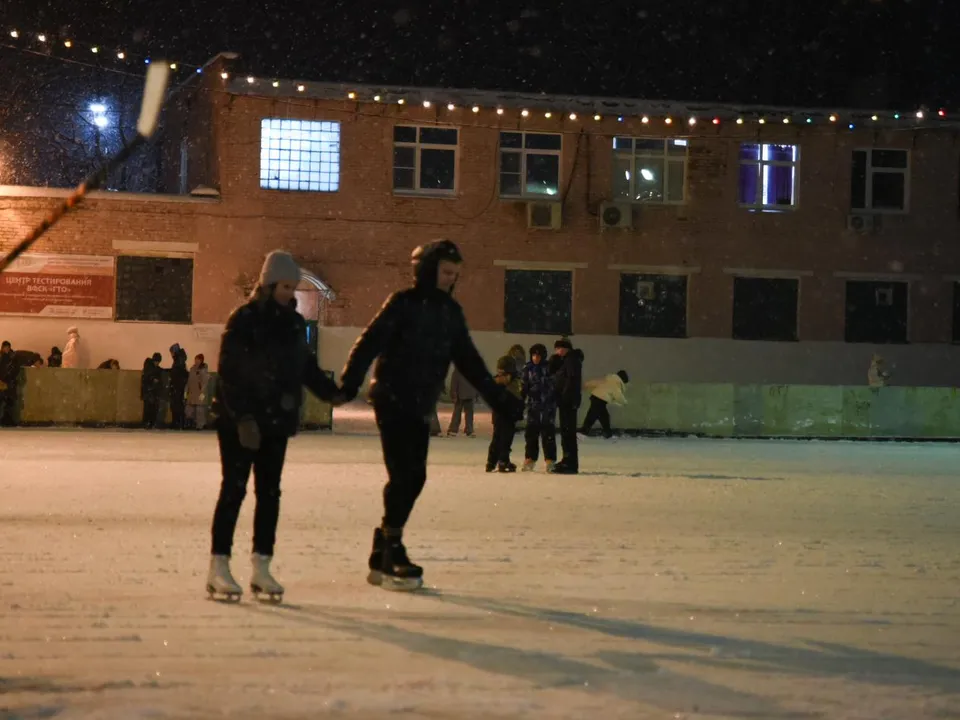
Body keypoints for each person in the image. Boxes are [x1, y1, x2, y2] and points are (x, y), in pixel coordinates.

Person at [337, 239, 523, 591]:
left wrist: (498, 397)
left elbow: (469, 360)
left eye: (454, 274)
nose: (450, 279)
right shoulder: (402, 304)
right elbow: (370, 341)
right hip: (392, 397)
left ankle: (384, 544)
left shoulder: (450, 313)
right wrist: (348, 384)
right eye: (445, 272)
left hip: (420, 403)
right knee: (403, 474)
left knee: (416, 477)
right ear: (425, 270)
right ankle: (392, 547)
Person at [207, 250, 338, 601]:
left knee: (269, 494)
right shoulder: (244, 319)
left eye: (293, 287)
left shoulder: (294, 325)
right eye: (284, 286)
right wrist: (244, 418)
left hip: (276, 422)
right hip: (238, 422)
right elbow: (231, 373)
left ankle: (262, 566)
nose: (289, 293)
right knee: (234, 491)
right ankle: (219, 566)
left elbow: (305, 368)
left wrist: (333, 394)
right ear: (266, 284)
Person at [521, 343, 557, 472]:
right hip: (533, 406)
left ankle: (550, 460)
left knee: (548, 434)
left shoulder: (549, 368)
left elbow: (554, 385)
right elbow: (524, 386)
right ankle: (530, 458)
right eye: (534, 355)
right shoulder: (528, 368)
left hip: (548, 407)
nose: (536, 358)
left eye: (538, 355)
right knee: (531, 434)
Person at [550, 337, 582, 474]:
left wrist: (564, 396)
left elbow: (571, 381)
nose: (557, 351)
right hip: (566, 401)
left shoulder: (571, 360)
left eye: (559, 348)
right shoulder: (567, 361)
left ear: (566, 348)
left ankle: (570, 462)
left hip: (568, 401)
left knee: (568, 432)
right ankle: (567, 459)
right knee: (566, 432)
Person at [486, 355, 521, 472]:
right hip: (504, 414)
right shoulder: (510, 383)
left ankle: (499, 460)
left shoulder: (514, 382)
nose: (501, 376)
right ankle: (497, 461)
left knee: (503, 438)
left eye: (504, 373)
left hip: (508, 414)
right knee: (501, 438)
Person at [580, 370, 629, 439]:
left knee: (604, 417)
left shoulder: (608, 379)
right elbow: (618, 395)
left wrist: (586, 385)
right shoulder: (616, 384)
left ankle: (608, 434)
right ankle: (583, 432)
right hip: (600, 400)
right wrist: (624, 402)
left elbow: (596, 382)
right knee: (592, 416)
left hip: (596, 397)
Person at [446, 366, 477, 437]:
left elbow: (454, 382)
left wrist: (453, 393)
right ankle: (469, 430)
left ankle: (454, 429)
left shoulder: (458, 369)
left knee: (458, 412)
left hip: (462, 394)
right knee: (468, 413)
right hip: (468, 394)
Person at [186, 353, 210, 429]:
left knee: (200, 410)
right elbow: (189, 381)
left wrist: (203, 393)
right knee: (189, 410)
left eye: (198, 360)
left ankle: (200, 425)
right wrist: (187, 390)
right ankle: (193, 423)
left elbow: (205, 382)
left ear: (201, 361)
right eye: (195, 359)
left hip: (199, 393)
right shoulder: (192, 369)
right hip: (192, 392)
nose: (196, 361)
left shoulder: (203, 370)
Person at [168, 344, 189, 430]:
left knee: (177, 405)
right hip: (178, 386)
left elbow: (178, 373)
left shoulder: (178, 361)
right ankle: (178, 423)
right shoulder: (180, 360)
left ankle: (177, 423)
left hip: (178, 386)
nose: (171, 354)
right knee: (178, 405)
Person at [140, 353, 163, 428]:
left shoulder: (150, 367)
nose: (157, 363)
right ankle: (148, 423)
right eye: (156, 361)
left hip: (150, 391)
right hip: (150, 391)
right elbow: (147, 376)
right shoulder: (149, 367)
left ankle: (148, 423)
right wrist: (153, 379)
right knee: (149, 408)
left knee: (151, 407)